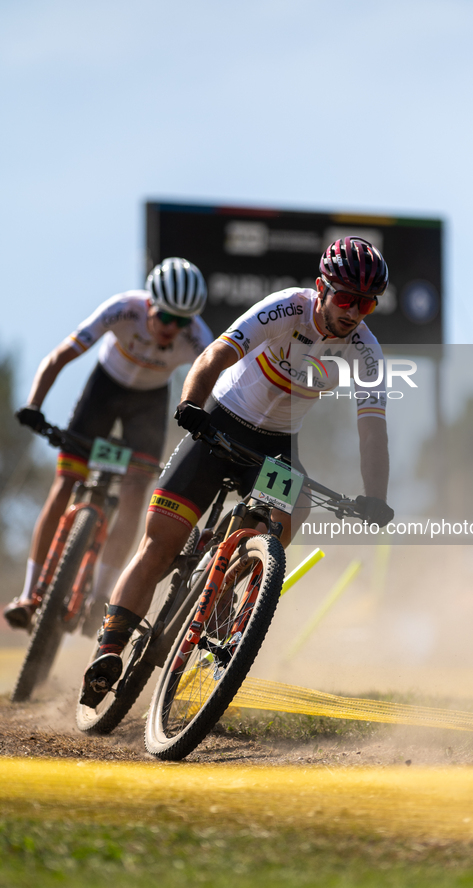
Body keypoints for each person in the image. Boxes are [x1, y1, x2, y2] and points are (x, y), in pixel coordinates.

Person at [80, 237, 394, 706]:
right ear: (321, 289)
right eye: (346, 297)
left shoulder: (367, 352)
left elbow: (372, 430)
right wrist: (191, 405)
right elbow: (215, 356)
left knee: (294, 508)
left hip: (276, 448)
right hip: (222, 423)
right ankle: (108, 649)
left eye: (367, 303)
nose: (354, 311)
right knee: (159, 545)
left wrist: (375, 496)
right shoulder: (286, 307)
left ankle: (223, 595)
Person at [4, 257, 213, 633]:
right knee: (65, 483)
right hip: (103, 393)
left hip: (147, 406)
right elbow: (61, 355)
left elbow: (217, 385)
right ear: (150, 305)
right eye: (167, 317)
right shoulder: (122, 310)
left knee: (136, 496)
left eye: (183, 322)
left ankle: (100, 596)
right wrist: (33, 405)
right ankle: (30, 593)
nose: (172, 328)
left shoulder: (198, 337)